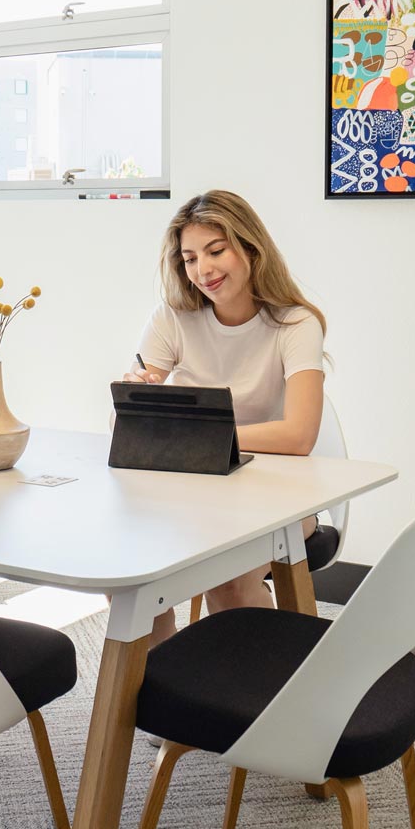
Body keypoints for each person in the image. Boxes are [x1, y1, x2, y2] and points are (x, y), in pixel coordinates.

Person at [121, 189, 327, 645]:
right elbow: (140, 418)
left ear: (251, 248)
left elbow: (299, 436)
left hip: (279, 491)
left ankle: (259, 692)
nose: (203, 270)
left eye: (216, 251)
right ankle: (161, 682)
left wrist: (203, 433)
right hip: (191, 489)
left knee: (227, 576)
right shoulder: (172, 317)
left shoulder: (296, 324)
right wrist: (142, 392)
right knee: (128, 572)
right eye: (190, 258)